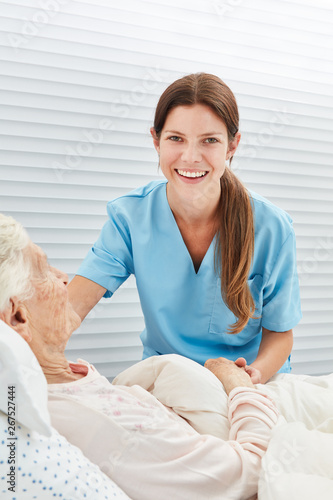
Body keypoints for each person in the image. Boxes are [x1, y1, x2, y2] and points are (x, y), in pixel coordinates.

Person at [0, 213, 279, 500]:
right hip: (250, 410)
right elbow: (258, 469)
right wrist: (239, 386)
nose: (63, 277)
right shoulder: (109, 427)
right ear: (18, 317)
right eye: (44, 269)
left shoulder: (69, 381)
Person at [67, 72, 302, 384]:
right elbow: (72, 307)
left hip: (250, 379)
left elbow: (280, 335)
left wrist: (250, 377)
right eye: (176, 138)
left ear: (232, 145)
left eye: (210, 140)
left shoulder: (272, 227)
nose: (191, 157)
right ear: (156, 141)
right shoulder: (130, 217)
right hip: (168, 379)